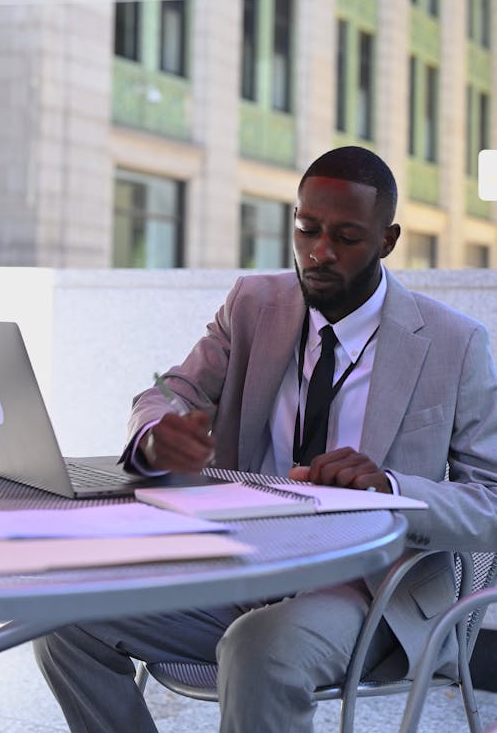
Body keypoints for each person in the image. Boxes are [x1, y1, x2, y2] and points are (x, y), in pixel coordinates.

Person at [34, 145, 497, 733]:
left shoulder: (455, 344)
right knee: (63, 617)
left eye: (347, 237)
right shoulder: (253, 304)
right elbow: (172, 391)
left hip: (372, 591)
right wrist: (157, 433)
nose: (319, 252)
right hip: (239, 569)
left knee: (258, 649)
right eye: (306, 229)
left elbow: (491, 502)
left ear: (388, 239)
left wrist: (390, 486)